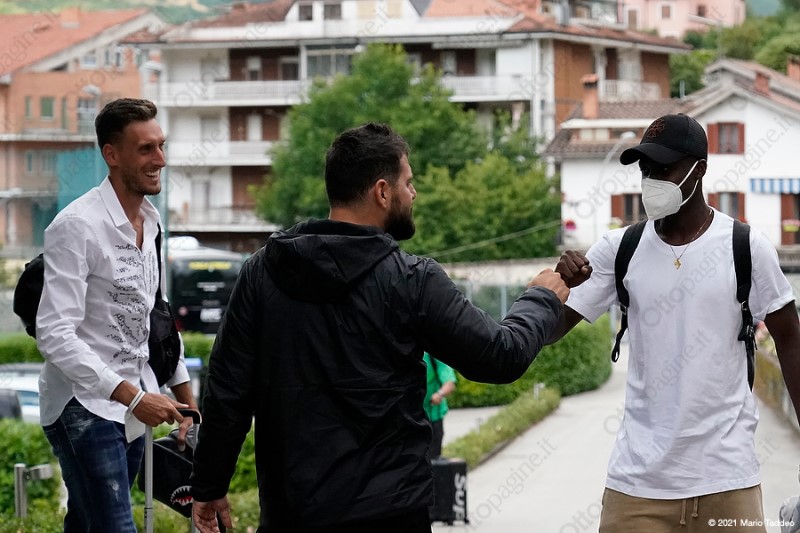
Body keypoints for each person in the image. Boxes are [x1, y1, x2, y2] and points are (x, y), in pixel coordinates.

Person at [190, 122, 571, 533]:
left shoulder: (261, 273)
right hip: (390, 515)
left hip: (291, 516)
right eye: (408, 182)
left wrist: (209, 484)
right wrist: (542, 297)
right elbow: (500, 356)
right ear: (382, 192)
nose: (414, 193)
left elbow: (227, 391)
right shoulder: (411, 280)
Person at [552, 113, 800, 533]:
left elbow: (791, 343)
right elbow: (550, 330)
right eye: (645, 169)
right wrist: (557, 288)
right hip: (637, 489)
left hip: (727, 481)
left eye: (663, 169)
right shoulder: (619, 249)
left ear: (698, 170)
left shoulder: (746, 247)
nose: (651, 180)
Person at [36, 98, 198, 532]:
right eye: (146, 149)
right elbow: (53, 332)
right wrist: (135, 397)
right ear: (111, 154)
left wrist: (187, 404)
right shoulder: (77, 225)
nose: (160, 160)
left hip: (131, 406)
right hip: (83, 405)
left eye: (161, 146)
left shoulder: (151, 221)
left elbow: (155, 317)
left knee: (88, 525)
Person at [423, 353, 456, 459]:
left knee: (433, 456)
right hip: (411, 415)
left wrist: (440, 394)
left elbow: (449, 383)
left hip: (433, 414)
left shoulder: (432, 354)